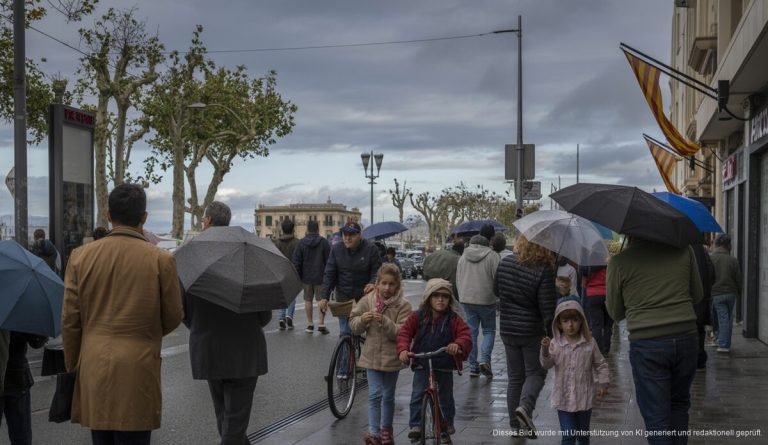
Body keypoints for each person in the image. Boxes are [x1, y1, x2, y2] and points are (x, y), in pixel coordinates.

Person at [62, 183, 183, 444]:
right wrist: (147, 332)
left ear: (108, 215)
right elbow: (174, 315)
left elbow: (70, 320)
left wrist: (73, 365)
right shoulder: (161, 260)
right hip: (139, 364)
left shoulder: (80, 257)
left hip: (94, 364)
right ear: (144, 218)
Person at [183, 201, 272, 444]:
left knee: (225, 418)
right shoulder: (249, 254)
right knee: (234, 421)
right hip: (245, 351)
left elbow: (183, 308)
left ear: (208, 221)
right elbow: (264, 316)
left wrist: (202, 327)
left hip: (209, 346)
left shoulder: (192, 253)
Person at [606, 237, 702, 444]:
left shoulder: (619, 262)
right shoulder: (684, 251)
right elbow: (698, 295)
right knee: (679, 404)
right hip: (686, 337)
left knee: (656, 416)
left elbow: (615, 312)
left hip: (647, 342)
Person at [494, 235, 557, 438]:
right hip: (531, 330)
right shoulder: (544, 268)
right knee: (536, 373)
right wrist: (552, 334)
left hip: (507, 328)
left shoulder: (505, 263)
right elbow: (548, 309)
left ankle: (515, 426)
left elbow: (497, 290)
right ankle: (525, 407)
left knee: (515, 377)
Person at [397, 279, 471, 445]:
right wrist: (403, 349)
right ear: (428, 298)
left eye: (444, 296)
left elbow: (465, 335)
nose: (440, 299)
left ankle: (447, 424)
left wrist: (457, 344)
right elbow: (404, 333)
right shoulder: (418, 316)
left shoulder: (453, 319)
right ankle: (416, 425)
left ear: (449, 300)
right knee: (417, 394)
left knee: (445, 397)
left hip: (444, 363)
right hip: (422, 362)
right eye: (436, 295)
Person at [349, 264, 412, 445]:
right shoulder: (368, 300)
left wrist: (385, 321)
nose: (387, 288)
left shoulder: (403, 305)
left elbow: (403, 332)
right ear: (377, 283)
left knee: (388, 395)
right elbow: (353, 324)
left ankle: (387, 429)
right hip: (372, 356)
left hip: (392, 358)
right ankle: (373, 432)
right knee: (375, 394)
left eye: (391, 284)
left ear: (398, 285)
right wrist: (362, 319)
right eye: (383, 283)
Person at [540, 299, 609, 445]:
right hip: (563, 399)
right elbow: (546, 364)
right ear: (559, 323)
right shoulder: (555, 344)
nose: (570, 325)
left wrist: (603, 383)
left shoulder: (590, 343)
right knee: (569, 436)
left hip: (584, 398)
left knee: (583, 437)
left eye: (574, 320)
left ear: (581, 321)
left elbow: (600, 364)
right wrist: (545, 349)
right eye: (565, 321)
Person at [319, 221, 382, 337]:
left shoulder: (371, 249)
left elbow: (377, 271)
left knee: (368, 332)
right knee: (345, 332)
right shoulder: (336, 249)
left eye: (351, 235)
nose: (347, 238)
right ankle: (346, 353)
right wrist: (324, 297)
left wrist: (373, 283)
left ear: (359, 235)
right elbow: (329, 274)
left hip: (364, 298)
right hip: (344, 297)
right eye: (345, 235)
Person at [456, 235, 500, 378]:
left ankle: (473, 367)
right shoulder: (492, 256)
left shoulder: (463, 256)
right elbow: (497, 278)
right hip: (487, 299)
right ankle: (485, 360)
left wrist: (461, 296)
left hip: (467, 299)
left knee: (471, 333)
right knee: (489, 330)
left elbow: (458, 278)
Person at [1, 332, 47, 445]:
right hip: (17, 378)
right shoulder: (16, 315)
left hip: (17, 379)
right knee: (21, 437)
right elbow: (37, 341)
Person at [292, 220, 331, 334]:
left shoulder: (301, 243)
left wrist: (298, 276)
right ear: (318, 229)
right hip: (320, 276)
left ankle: (310, 324)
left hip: (306, 277)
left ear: (307, 229)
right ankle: (321, 323)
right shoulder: (323, 242)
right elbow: (329, 261)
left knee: (308, 300)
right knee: (321, 300)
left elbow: (296, 261)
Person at [709, 235, 741, 353]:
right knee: (726, 318)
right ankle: (722, 341)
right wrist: (739, 291)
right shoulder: (733, 260)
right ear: (728, 246)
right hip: (730, 293)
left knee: (720, 318)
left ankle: (723, 344)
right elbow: (738, 278)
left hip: (716, 293)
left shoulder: (711, 258)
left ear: (716, 244)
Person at [275, 219, 301, 330]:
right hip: (294, 271)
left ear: (282, 229)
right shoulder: (297, 243)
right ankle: (289, 315)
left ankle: (281, 317)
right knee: (292, 295)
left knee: (282, 295)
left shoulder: (277, 243)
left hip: (280, 271)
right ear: (293, 229)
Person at [581, 265, 612, 355]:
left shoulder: (588, 265)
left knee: (596, 325)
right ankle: (606, 348)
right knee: (608, 325)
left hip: (593, 295)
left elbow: (583, 284)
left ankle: (598, 350)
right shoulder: (608, 263)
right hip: (608, 294)